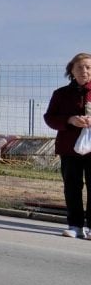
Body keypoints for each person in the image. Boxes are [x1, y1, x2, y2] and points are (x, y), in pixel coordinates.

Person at [43, 52, 91, 239]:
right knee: (72, 186)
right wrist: (70, 120)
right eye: (79, 67)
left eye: (88, 67)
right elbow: (50, 118)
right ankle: (75, 225)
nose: (84, 71)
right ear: (71, 70)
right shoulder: (61, 94)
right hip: (69, 148)